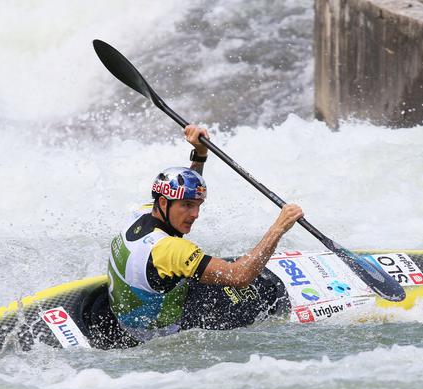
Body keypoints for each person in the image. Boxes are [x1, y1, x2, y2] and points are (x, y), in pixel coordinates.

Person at [103, 125, 304, 343]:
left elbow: (183, 191)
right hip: (161, 332)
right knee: (261, 287)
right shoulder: (170, 250)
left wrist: (200, 154)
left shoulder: (141, 214)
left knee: (214, 266)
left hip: (129, 315)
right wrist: (279, 228)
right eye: (188, 206)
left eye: (198, 205)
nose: (195, 214)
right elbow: (240, 276)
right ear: (163, 203)